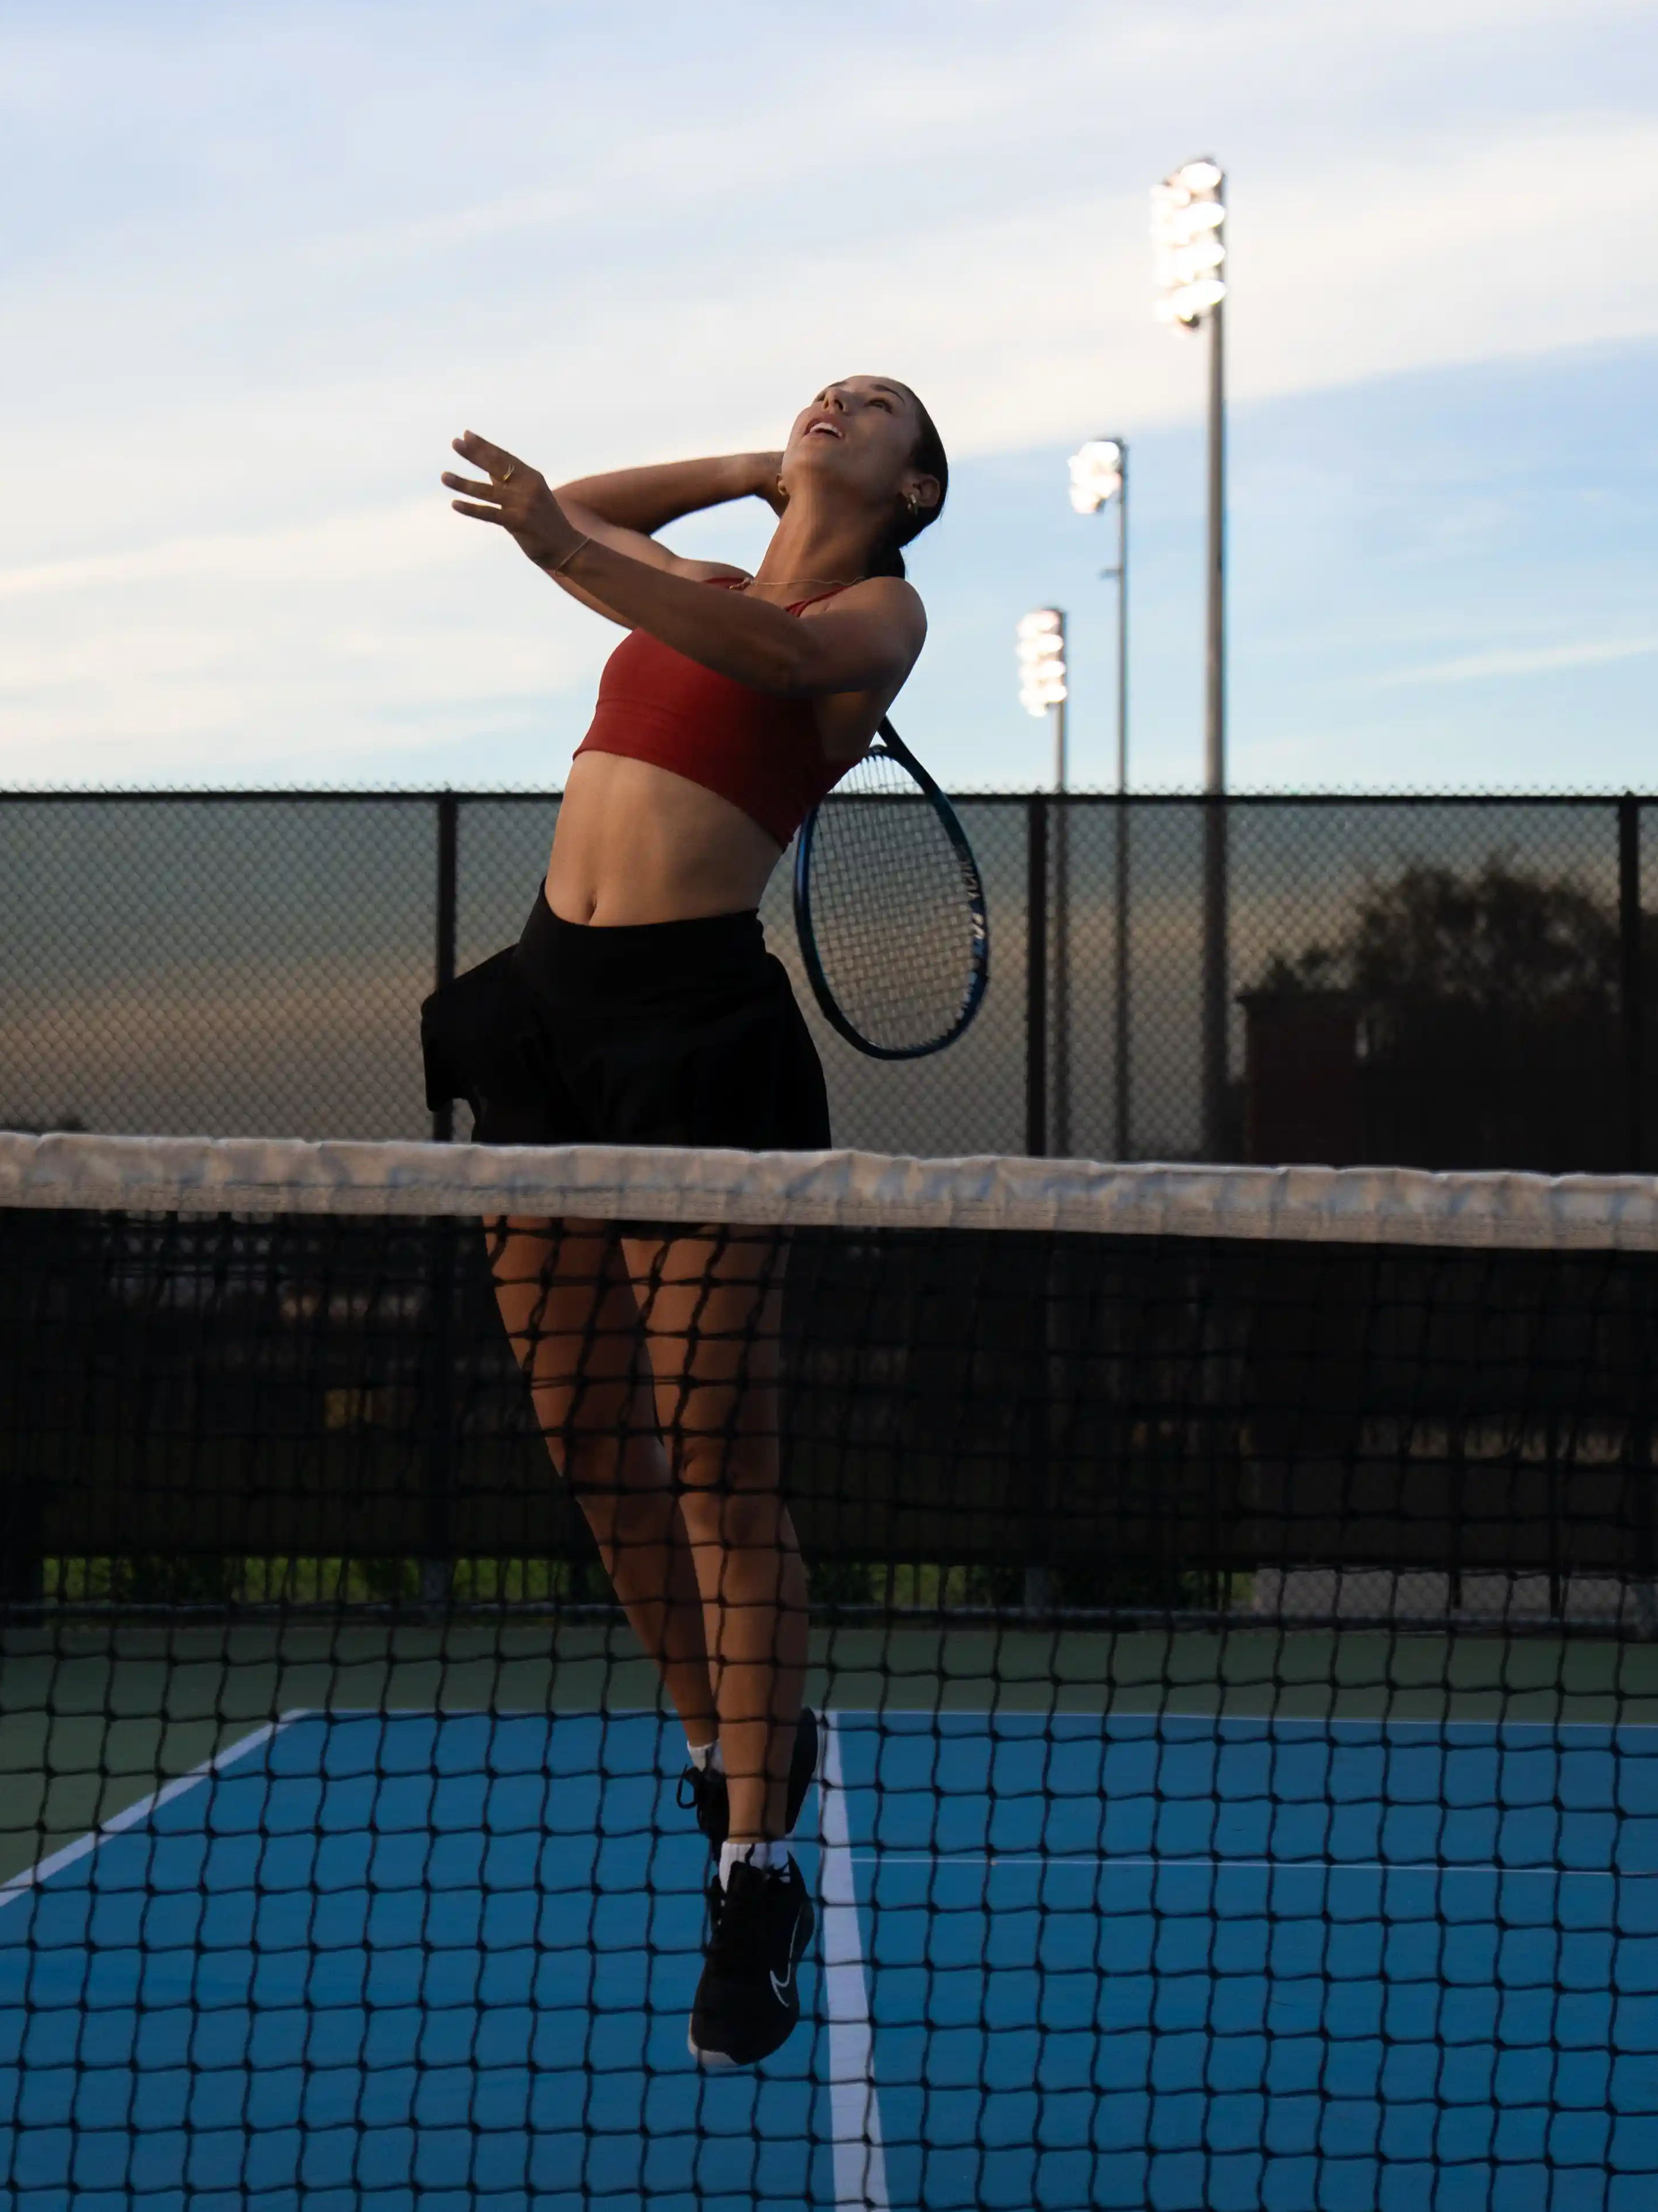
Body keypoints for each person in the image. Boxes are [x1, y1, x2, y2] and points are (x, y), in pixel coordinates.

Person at [421, 378, 947, 2069]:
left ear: (913, 482)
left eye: (872, 408)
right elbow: (560, 516)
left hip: (693, 1029)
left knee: (714, 1447)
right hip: (545, 1012)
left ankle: (752, 1865)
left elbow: (751, 653)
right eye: (821, 388)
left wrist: (589, 540)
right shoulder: (697, 580)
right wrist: (736, 473)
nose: (833, 395)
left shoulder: (876, 612)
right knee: (587, 1440)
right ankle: (736, 1757)